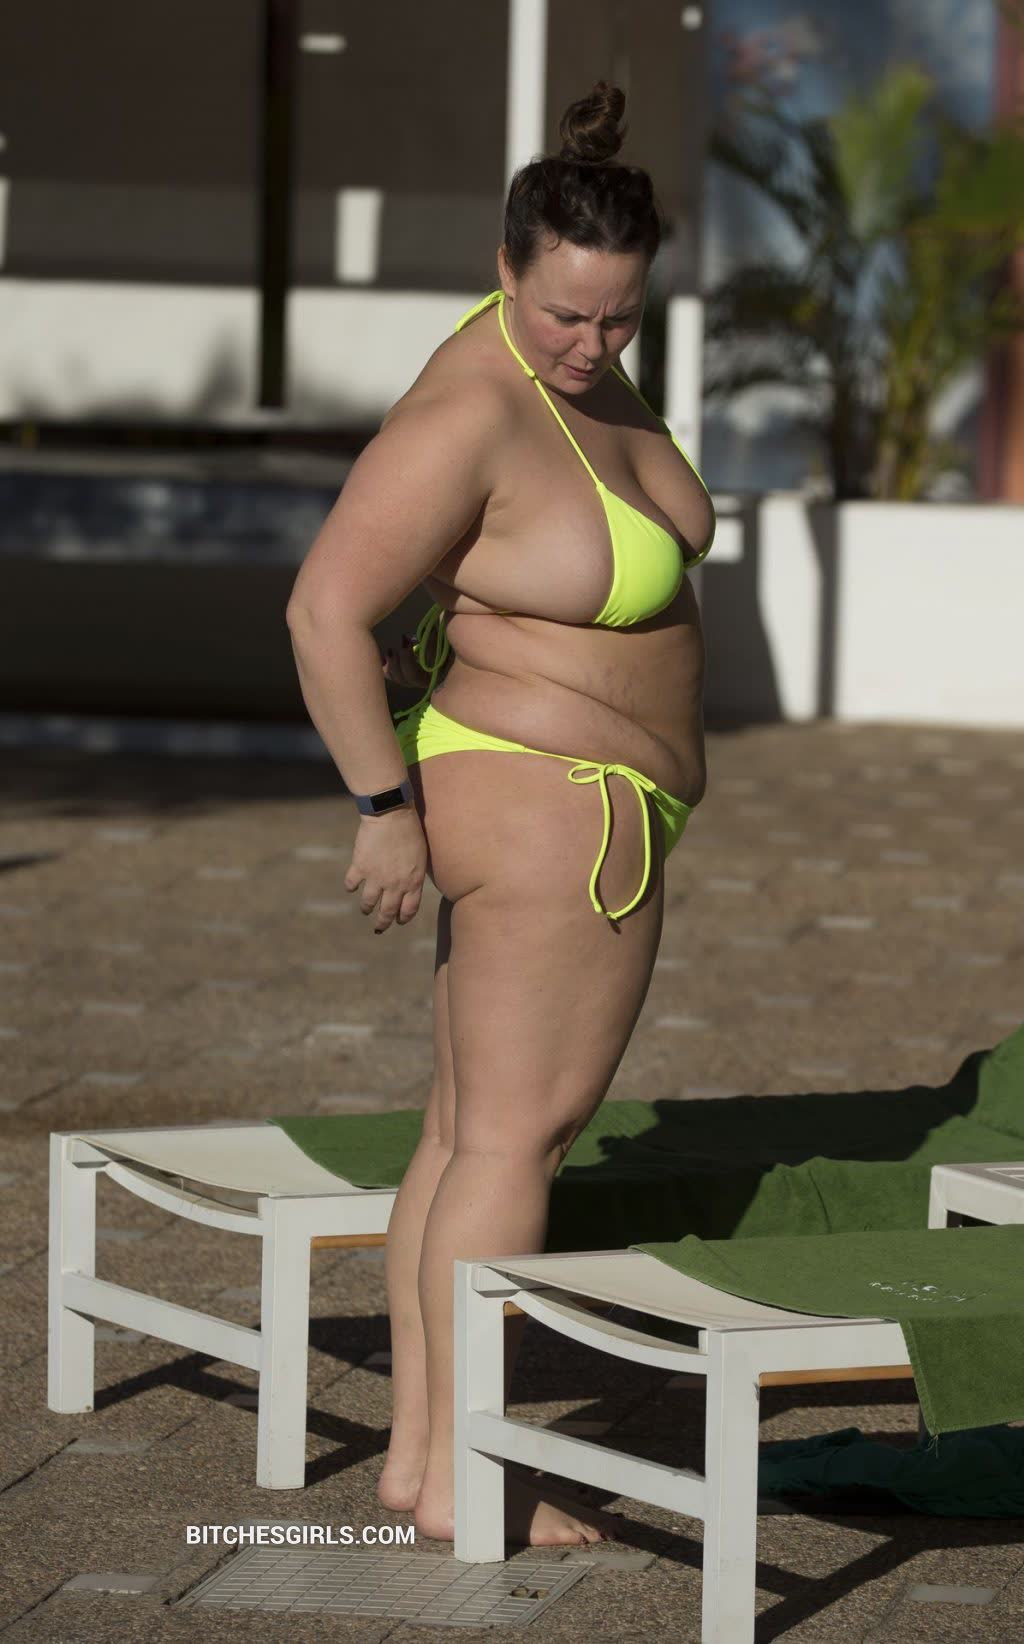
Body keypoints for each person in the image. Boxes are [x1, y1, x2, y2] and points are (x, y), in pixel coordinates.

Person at [286, 81, 715, 1547]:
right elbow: (324, 610)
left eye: (620, 318)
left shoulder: (573, 375)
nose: (590, 345)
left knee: (469, 1135)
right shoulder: (472, 406)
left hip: (568, 799)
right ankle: (477, 1478)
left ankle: (423, 1465)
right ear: (503, 271)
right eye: (564, 316)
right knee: (518, 1145)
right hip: (545, 812)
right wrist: (380, 807)